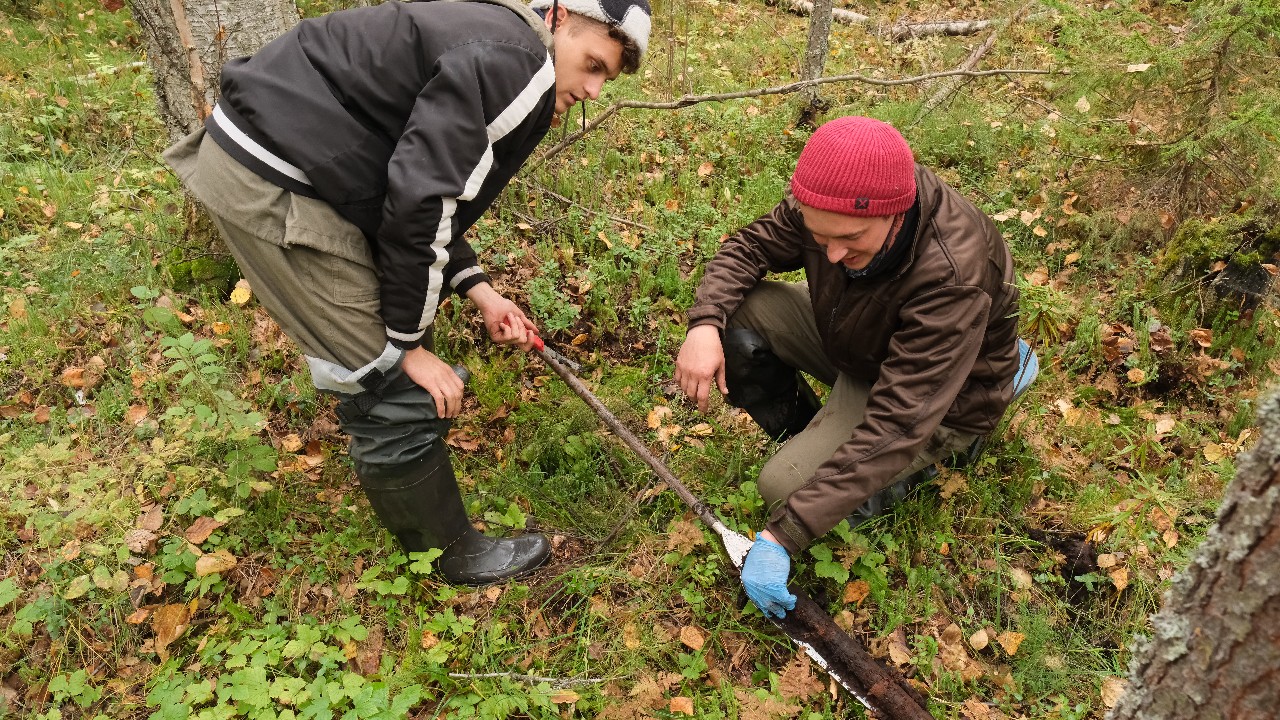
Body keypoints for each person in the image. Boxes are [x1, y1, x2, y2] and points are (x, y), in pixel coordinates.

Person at [164, 0, 651, 585]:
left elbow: (406, 180)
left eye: (609, 77)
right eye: (593, 63)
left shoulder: (496, 36)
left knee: (403, 331)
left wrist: (479, 289)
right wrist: (408, 343)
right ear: (557, 16)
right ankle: (444, 553)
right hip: (273, 182)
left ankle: (400, 446)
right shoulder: (522, 66)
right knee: (393, 375)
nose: (595, 89)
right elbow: (422, 204)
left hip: (285, 159)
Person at [674, 116, 1038, 617]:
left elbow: (897, 422)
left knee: (780, 490)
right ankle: (814, 439)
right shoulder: (834, 197)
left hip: (938, 399)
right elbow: (751, 247)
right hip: (862, 344)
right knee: (737, 311)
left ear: (896, 211)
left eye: (849, 240)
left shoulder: (952, 274)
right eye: (819, 239)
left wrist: (786, 534)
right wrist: (704, 323)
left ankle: (959, 439)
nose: (833, 253)